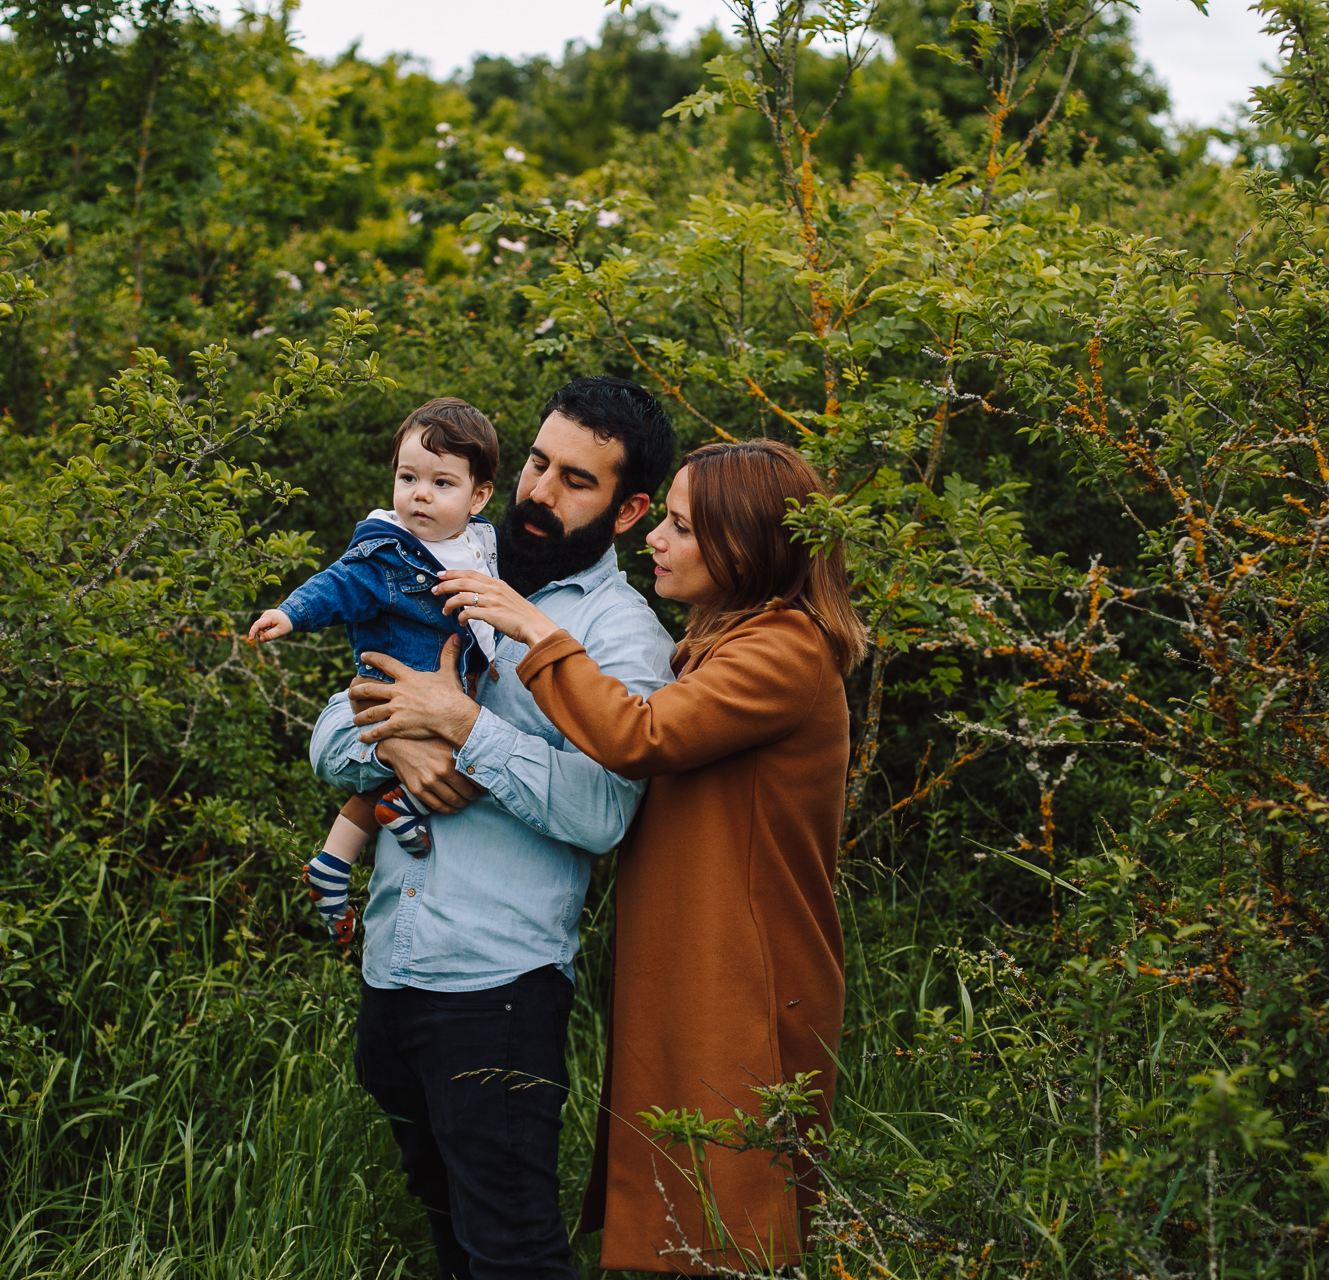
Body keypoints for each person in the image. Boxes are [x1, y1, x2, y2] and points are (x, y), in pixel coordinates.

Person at [360, 438, 867, 1275]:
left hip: (745, 972)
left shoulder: (786, 651)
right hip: (686, 960)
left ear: (745, 544)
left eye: (678, 526)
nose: (655, 542)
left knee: (727, 1220)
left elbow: (639, 736)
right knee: (679, 1205)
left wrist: (532, 628)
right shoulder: (716, 644)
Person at [310, 376, 680, 1280]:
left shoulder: (621, 635)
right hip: (392, 970)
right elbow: (329, 741)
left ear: (629, 510)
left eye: (576, 481)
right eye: (537, 463)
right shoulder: (440, 566)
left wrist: (467, 730)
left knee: (512, 1251)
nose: (540, 493)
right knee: (448, 1236)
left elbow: (601, 814)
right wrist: (402, 751)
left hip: (497, 990)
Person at [248, 397, 503, 949]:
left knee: (489, 749)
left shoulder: (477, 544)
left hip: (445, 695)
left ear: (478, 496)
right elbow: (336, 586)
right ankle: (386, 819)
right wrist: (289, 614)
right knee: (470, 754)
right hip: (396, 691)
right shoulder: (388, 553)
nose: (420, 494)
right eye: (408, 476)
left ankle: (334, 864)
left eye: (442, 483)